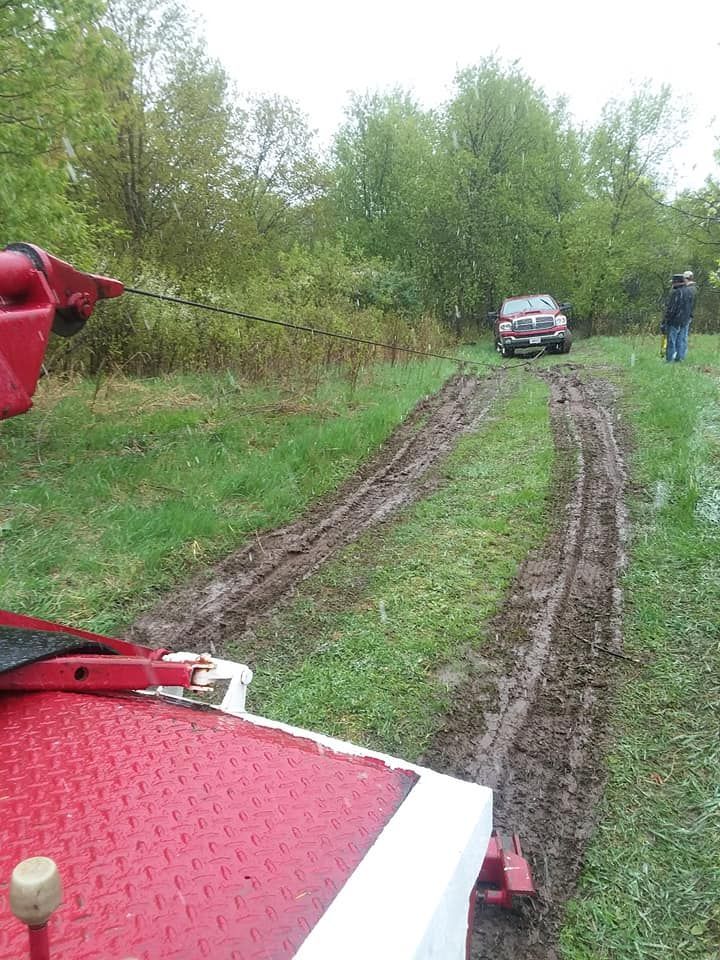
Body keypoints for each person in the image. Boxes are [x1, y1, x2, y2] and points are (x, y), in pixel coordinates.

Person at [663, 274, 692, 362]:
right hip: (685, 320)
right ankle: (680, 358)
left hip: (674, 321)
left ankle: (669, 359)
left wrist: (666, 320)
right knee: (681, 340)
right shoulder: (689, 292)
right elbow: (691, 306)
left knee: (671, 341)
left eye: (673, 282)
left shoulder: (676, 293)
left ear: (676, 282)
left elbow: (672, 308)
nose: (672, 284)